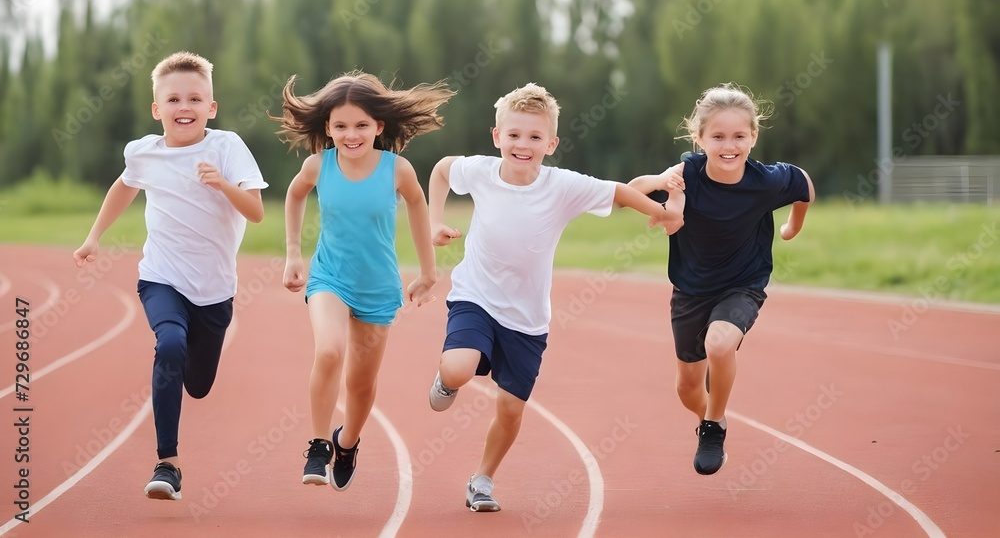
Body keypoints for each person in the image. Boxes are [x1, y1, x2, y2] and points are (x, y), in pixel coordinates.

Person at [426, 82, 682, 512]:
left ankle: (482, 480)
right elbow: (440, 169)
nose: (522, 145)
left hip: (527, 319)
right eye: (513, 135)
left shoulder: (563, 185)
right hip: (475, 296)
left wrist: (658, 211)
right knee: (459, 366)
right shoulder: (481, 171)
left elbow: (618, 192)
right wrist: (435, 220)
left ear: (551, 143)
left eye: (533, 137)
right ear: (496, 137)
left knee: (510, 410)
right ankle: (446, 380)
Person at [73, 51, 267, 500]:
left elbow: (256, 211)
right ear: (157, 109)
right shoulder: (144, 152)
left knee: (198, 386)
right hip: (161, 277)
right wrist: (94, 236)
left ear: (211, 108)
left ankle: (178, 372)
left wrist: (222, 184)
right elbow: (124, 185)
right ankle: (167, 463)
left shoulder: (227, 147)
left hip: (214, 290)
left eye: (196, 98)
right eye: (174, 99)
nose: (186, 107)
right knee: (170, 344)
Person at [273, 71, 452, 491]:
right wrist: (294, 253)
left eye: (360, 126)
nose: (350, 135)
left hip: (378, 288)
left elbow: (417, 205)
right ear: (328, 128)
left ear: (379, 126)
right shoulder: (318, 165)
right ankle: (318, 445)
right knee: (330, 351)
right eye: (340, 126)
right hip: (329, 278)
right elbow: (295, 194)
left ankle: (347, 442)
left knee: (360, 383)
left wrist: (428, 273)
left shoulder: (398, 169)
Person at [628, 82, 815, 476]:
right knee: (687, 389)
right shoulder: (687, 174)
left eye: (738, 136)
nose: (728, 146)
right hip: (691, 291)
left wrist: (792, 227)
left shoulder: (766, 181)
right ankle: (708, 414)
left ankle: (712, 427)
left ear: (753, 137)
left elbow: (804, 185)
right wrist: (662, 182)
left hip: (743, 284)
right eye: (717, 136)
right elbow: (630, 193)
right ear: (699, 138)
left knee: (720, 342)